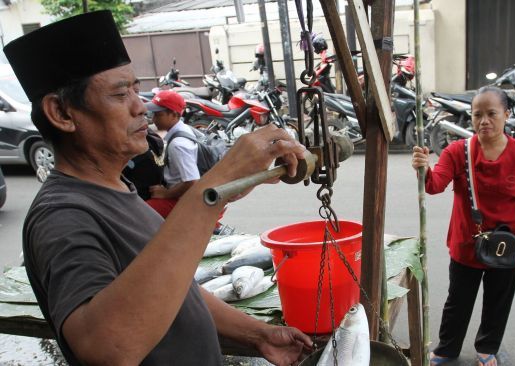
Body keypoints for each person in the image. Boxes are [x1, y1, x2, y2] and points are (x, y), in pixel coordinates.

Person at [6, 10, 311, 366]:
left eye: (137, 89)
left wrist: (257, 334)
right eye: (120, 95)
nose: (142, 107)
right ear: (61, 113)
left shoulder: (117, 188)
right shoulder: (62, 216)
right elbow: (108, 348)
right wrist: (208, 193)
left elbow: (172, 287)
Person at [411, 86, 515, 366]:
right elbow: (435, 185)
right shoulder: (457, 151)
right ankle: (447, 349)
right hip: (466, 245)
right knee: (457, 302)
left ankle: (487, 349)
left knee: (498, 303)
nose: (484, 120)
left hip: (507, 246)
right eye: (477, 115)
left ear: (506, 115)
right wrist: (424, 168)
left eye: (491, 114)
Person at [144, 90, 198, 218]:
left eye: (158, 115)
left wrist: (166, 194)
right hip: (179, 193)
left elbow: (192, 181)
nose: (153, 119)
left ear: (173, 114)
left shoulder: (178, 144)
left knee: (141, 214)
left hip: (181, 200)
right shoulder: (184, 129)